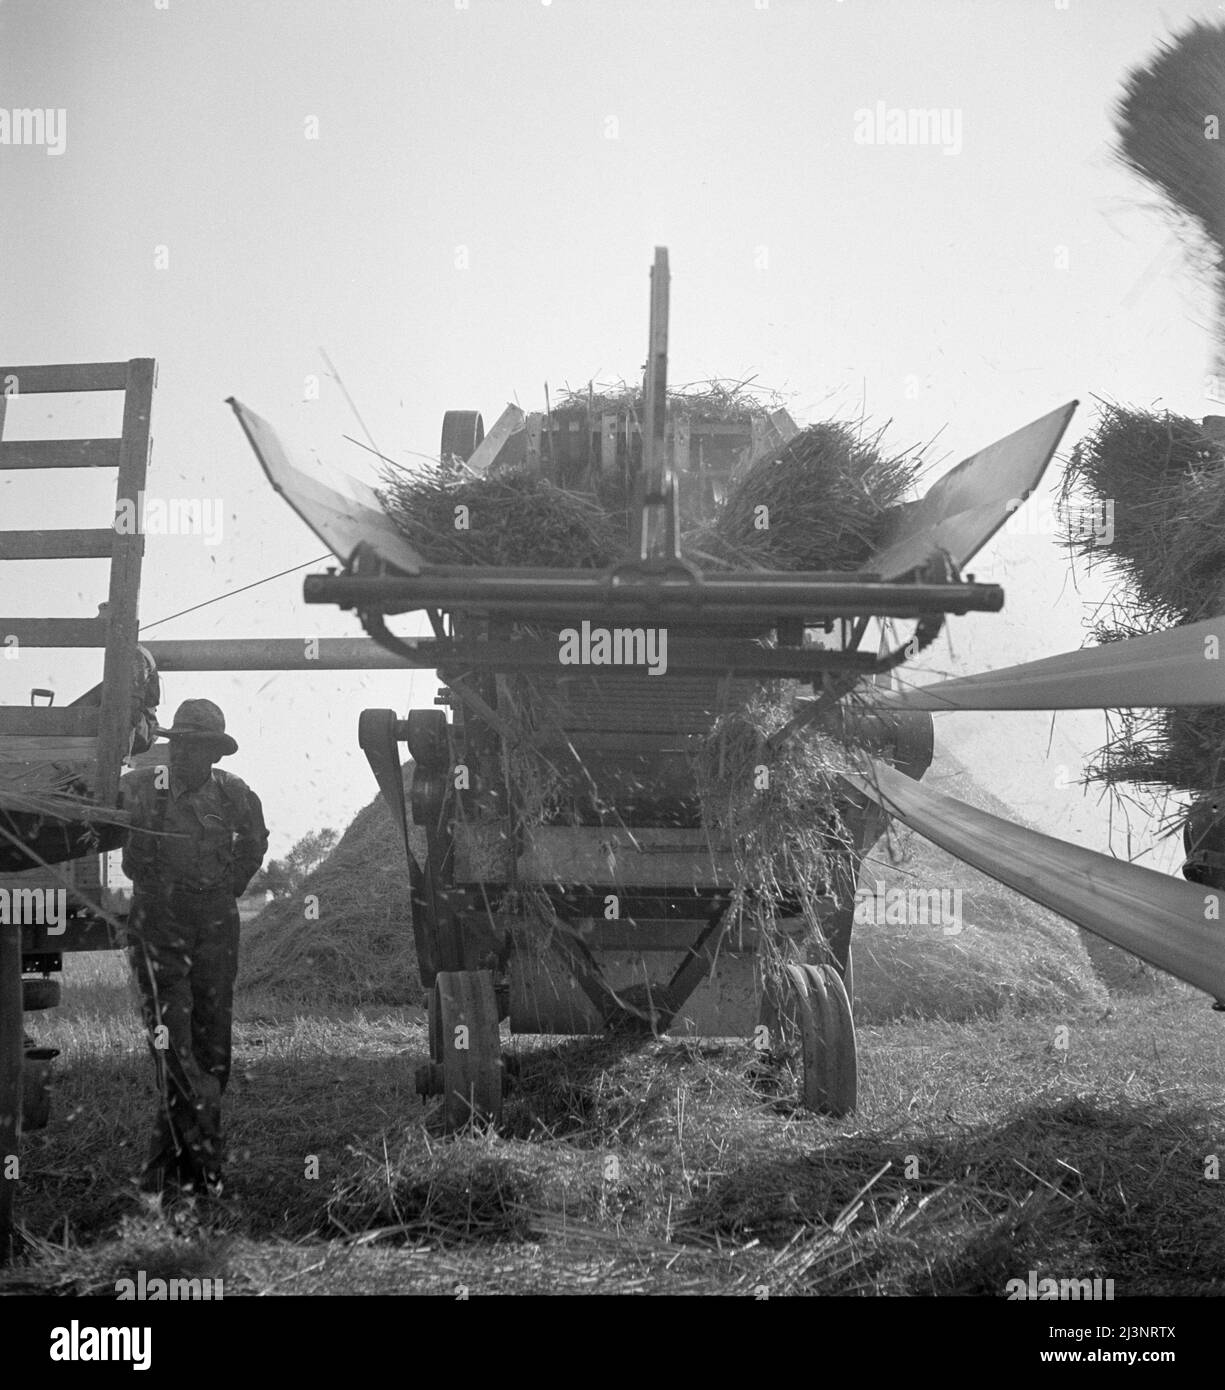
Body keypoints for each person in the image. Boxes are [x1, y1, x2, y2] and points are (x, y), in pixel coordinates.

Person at [118, 699, 269, 1198]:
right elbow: (125, 853)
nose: (194, 758)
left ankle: (167, 1166)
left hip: (215, 924)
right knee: (172, 1044)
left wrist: (231, 887)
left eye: (205, 750)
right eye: (186, 746)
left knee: (213, 1050)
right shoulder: (143, 787)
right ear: (173, 745)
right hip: (159, 922)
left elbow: (256, 841)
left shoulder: (234, 794)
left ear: (216, 754)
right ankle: (204, 1165)